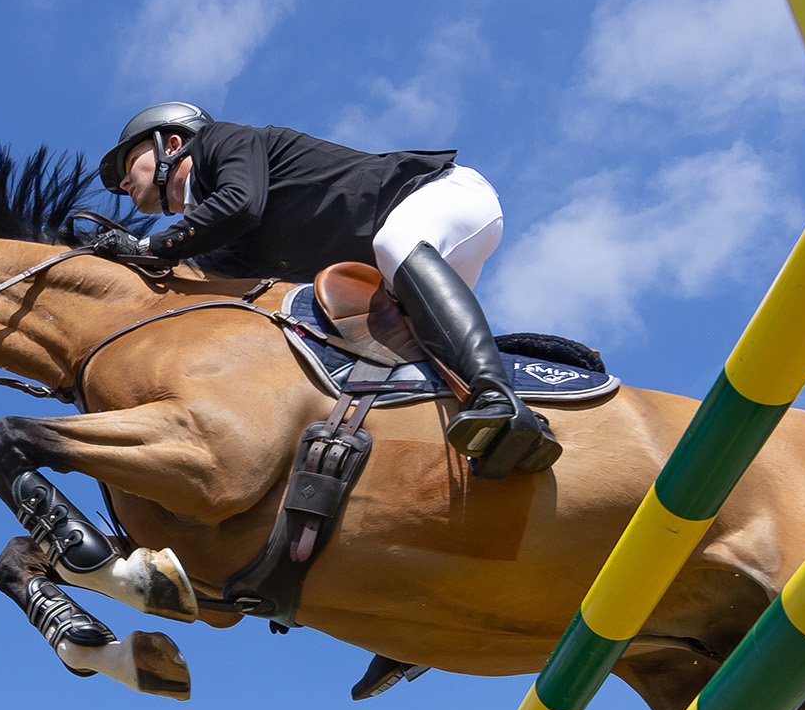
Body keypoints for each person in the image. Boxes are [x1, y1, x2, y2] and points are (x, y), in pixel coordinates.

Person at [91, 102, 560, 478]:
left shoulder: (224, 141)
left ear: (173, 143)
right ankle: (516, 428)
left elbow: (240, 205)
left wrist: (147, 244)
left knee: (394, 246)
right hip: (410, 267)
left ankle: (495, 396)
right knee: (400, 356)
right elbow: (202, 287)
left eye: (130, 162)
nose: (125, 182)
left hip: (442, 197)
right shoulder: (218, 241)